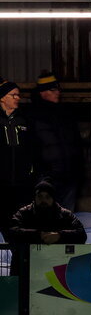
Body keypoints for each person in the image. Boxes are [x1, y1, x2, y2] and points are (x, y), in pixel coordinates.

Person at [29, 71, 84, 211]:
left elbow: (77, 143)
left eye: (58, 89)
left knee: (66, 219)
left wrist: (77, 170)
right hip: (46, 178)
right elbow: (31, 148)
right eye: (53, 89)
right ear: (42, 92)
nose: (57, 92)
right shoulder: (32, 115)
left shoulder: (66, 113)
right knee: (45, 218)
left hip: (69, 177)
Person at [0, 80, 35, 231]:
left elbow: (33, 148)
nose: (17, 98)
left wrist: (32, 172)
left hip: (23, 184)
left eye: (18, 95)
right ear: (2, 98)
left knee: (22, 224)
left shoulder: (24, 119)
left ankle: (20, 255)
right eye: (13, 95)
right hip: (2, 184)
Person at [7, 180, 86, 245]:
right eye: (40, 196)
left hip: (56, 261)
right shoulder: (23, 213)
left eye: (47, 197)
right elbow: (11, 232)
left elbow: (81, 235)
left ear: (53, 199)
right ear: (35, 198)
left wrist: (59, 236)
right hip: (27, 261)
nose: (43, 200)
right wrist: (39, 235)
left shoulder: (65, 215)